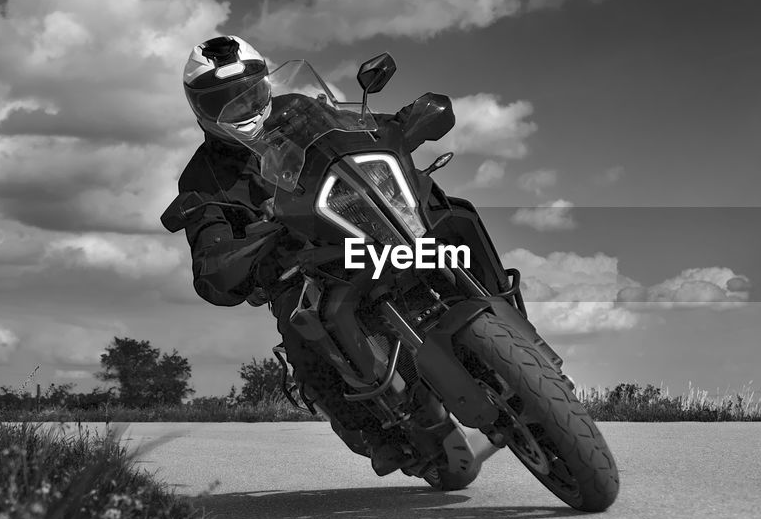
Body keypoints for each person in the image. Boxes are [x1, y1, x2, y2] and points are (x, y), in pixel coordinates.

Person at [166, 35, 507, 476]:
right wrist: (237, 253)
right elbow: (211, 260)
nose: (242, 108)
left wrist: (404, 124)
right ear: (199, 109)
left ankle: (505, 311)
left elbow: (364, 132)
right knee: (299, 327)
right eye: (222, 102)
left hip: (377, 224)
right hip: (307, 265)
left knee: (450, 211)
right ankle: (376, 430)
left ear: (266, 84)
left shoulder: (302, 109)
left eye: (249, 92)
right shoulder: (203, 177)